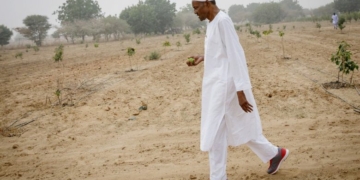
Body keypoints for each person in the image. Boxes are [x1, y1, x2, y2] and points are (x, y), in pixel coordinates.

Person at [187, 0, 289, 179]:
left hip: (225, 87)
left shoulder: (223, 21)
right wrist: (205, 57)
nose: (195, 12)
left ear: (207, 4)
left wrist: (241, 91)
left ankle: (218, 177)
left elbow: (236, 55)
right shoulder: (213, 23)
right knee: (240, 125)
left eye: (196, 7)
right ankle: (274, 154)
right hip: (219, 85)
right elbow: (222, 52)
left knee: (215, 133)